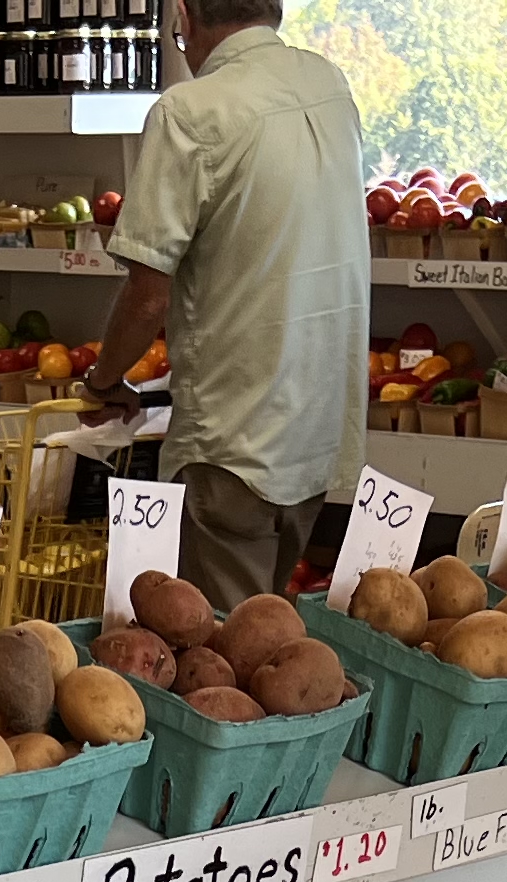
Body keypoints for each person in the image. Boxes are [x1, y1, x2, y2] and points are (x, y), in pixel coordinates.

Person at [92, 0, 367, 613]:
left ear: (184, 16)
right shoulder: (328, 84)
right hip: (317, 435)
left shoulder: (190, 111)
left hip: (234, 447)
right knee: (274, 637)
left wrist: (105, 380)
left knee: (225, 661)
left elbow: (146, 295)